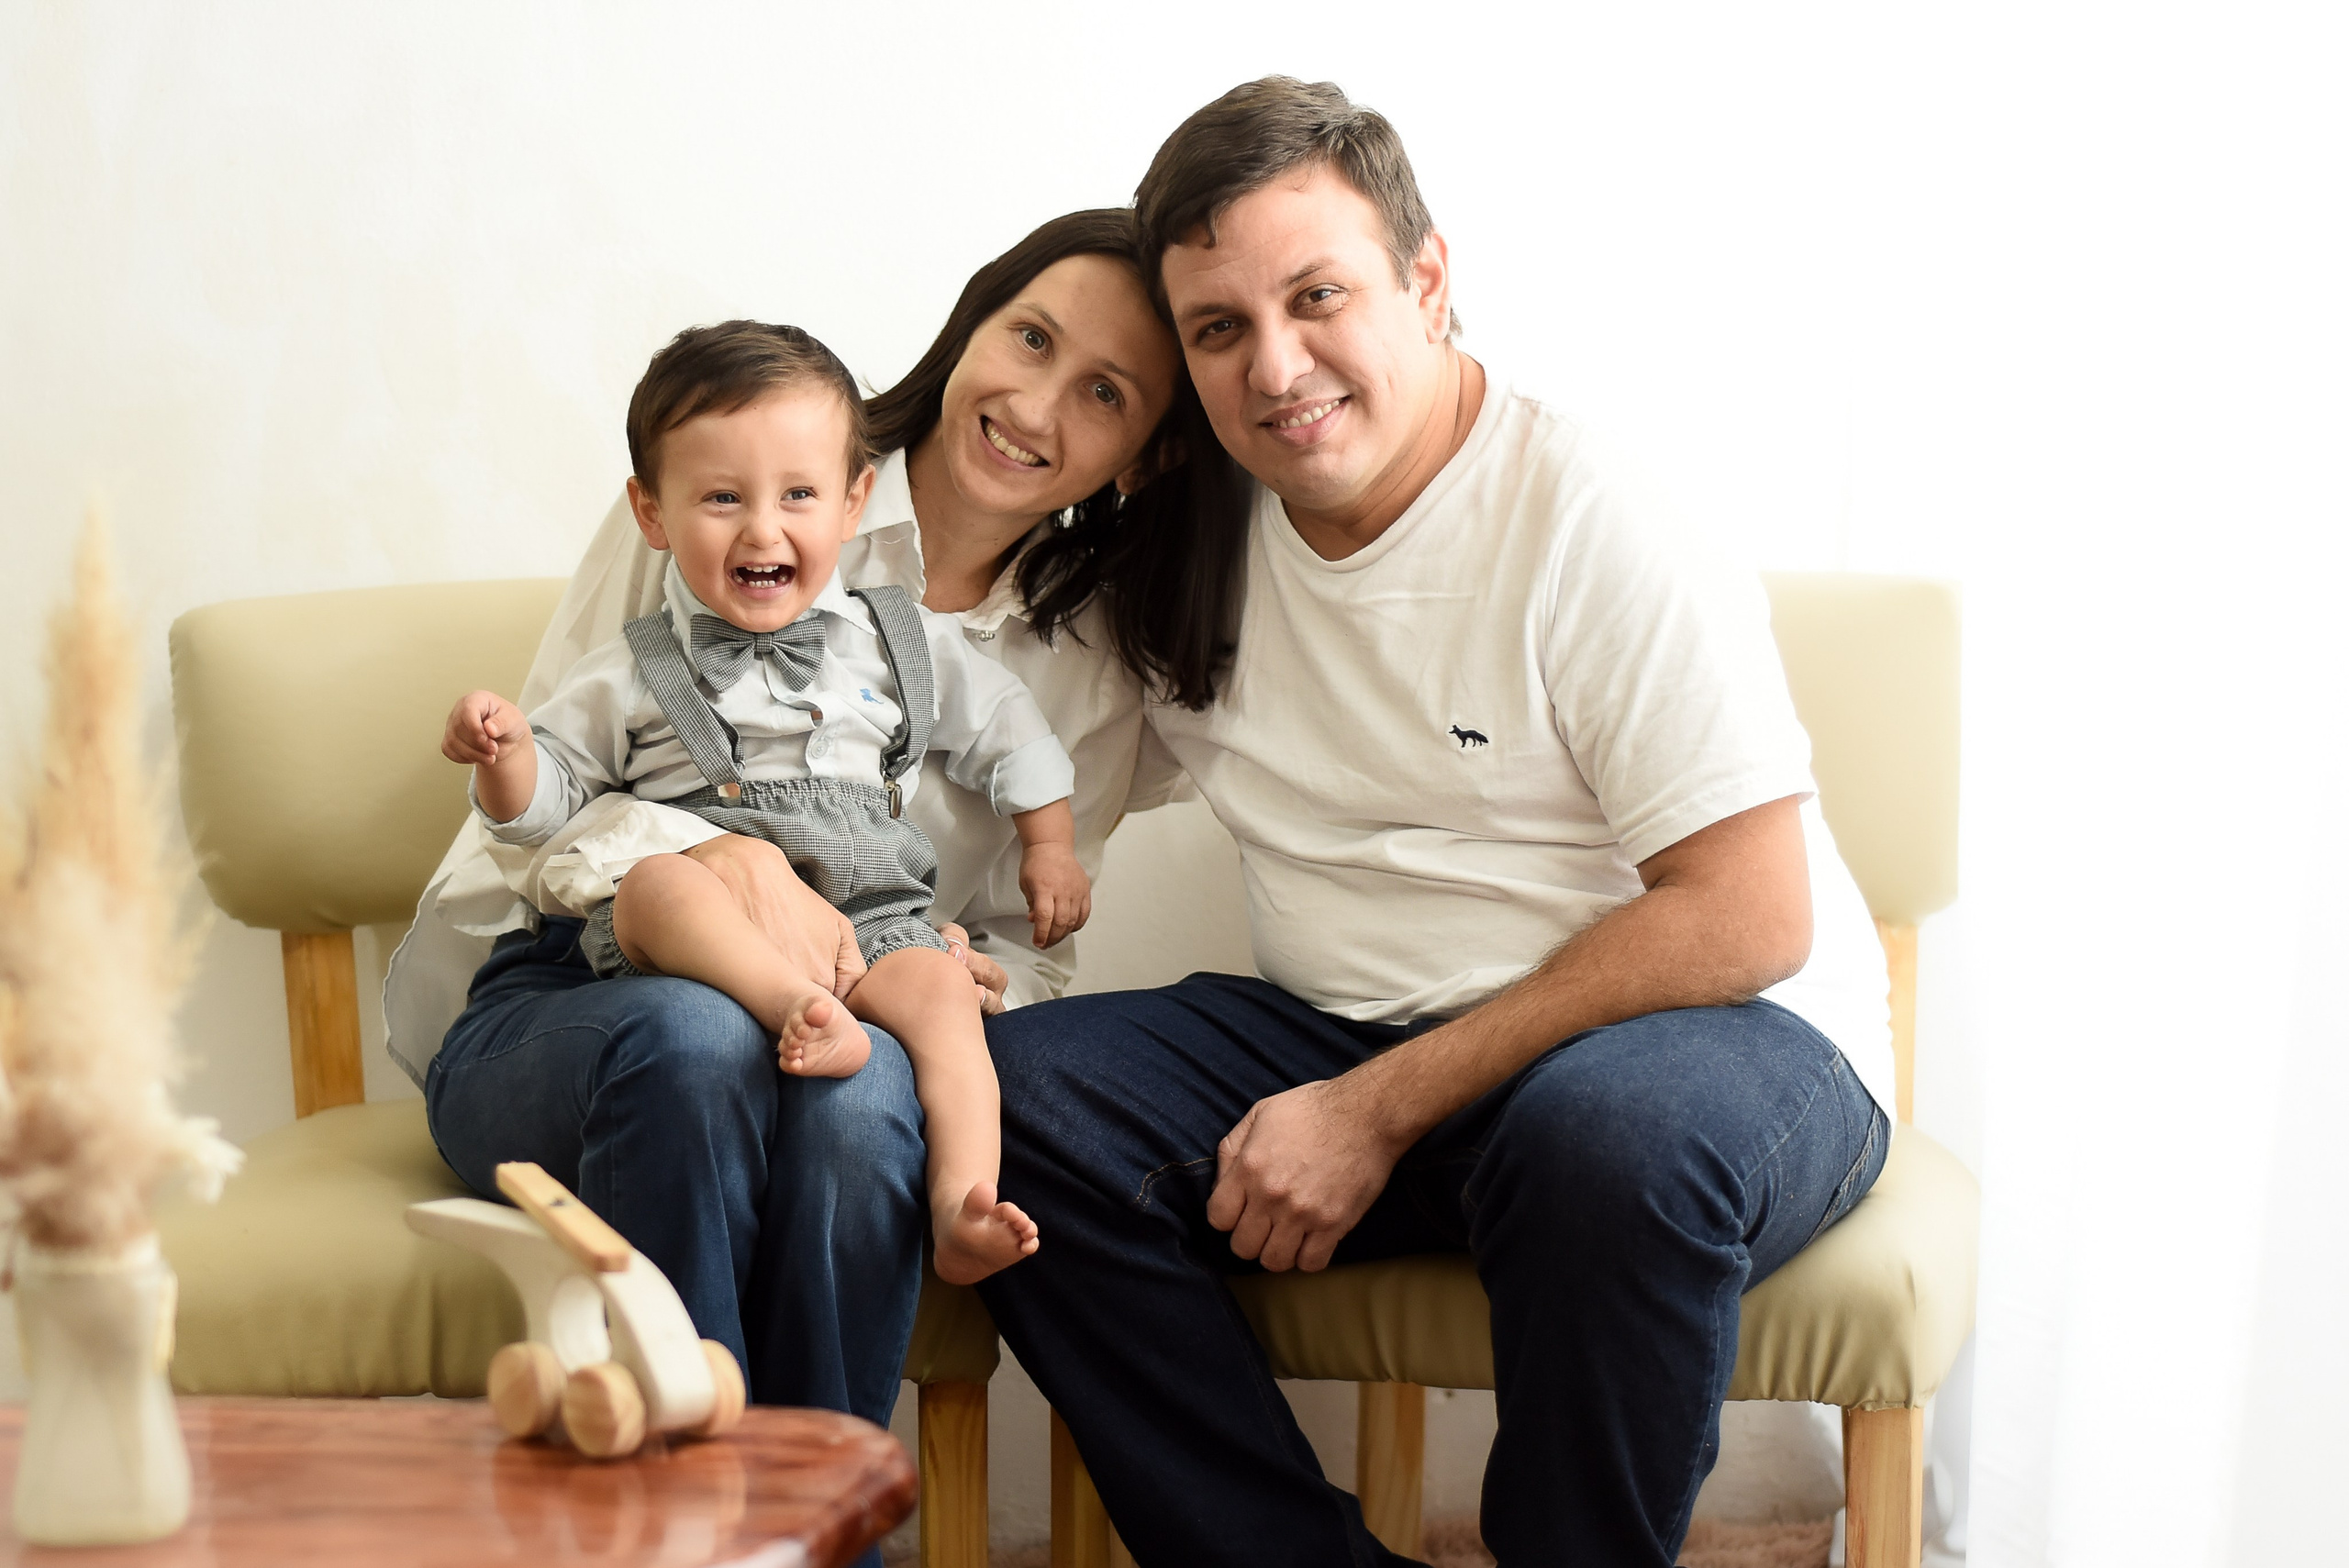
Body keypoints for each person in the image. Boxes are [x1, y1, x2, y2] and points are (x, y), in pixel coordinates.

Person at [974, 80, 1897, 1567]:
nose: (1277, 367)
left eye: (1318, 296)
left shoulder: (1588, 515)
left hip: (1709, 1051)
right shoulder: (1190, 537)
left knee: (1605, 1140)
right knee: (1003, 1092)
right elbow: (998, 758)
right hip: (1353, 1031)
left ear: (1427, 281)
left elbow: (1746, 913)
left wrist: (1374, 1106)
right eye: (1219, 331)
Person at [384, 210, 1246, 1469]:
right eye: (1031, 337)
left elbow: (1033, 934)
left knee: (860, 1105)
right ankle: (694, 1513)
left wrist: (982, 974)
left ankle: (812, 1520)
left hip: (862, 1007)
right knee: (693, 1037)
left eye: (1104, 392)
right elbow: (538, 812)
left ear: (1140, 452)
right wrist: (703, 861)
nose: (1038, 403)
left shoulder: (1089, 668)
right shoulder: (722, 474)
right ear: (970, 325)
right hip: (581, 1000)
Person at [443, 319, 1090, 1283]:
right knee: (657, 885)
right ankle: (792, 1004)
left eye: (797, 495)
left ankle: (963, 1201)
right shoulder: (632, 663)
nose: (761, 528)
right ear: (651, 512)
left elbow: (1006, 723)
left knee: (944, 1001)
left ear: (852, 502)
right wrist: (504, 753)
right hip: (710, 939)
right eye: (720, 497)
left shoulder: (894, 638)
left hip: (868, 917)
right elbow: (550, 806)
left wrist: (1050, 844)